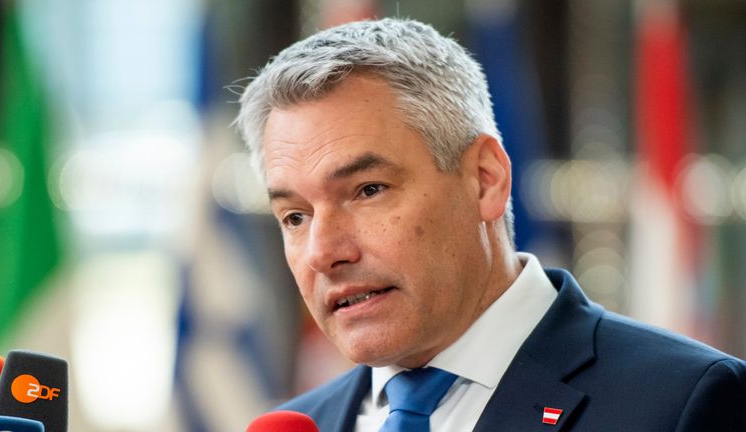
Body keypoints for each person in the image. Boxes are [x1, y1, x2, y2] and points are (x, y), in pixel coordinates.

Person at [235, 17, 746, 432]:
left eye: (368, 190)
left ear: (485, 180)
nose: (323, 251)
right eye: (295, 216)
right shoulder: (305, 424)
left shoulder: (683, 403)